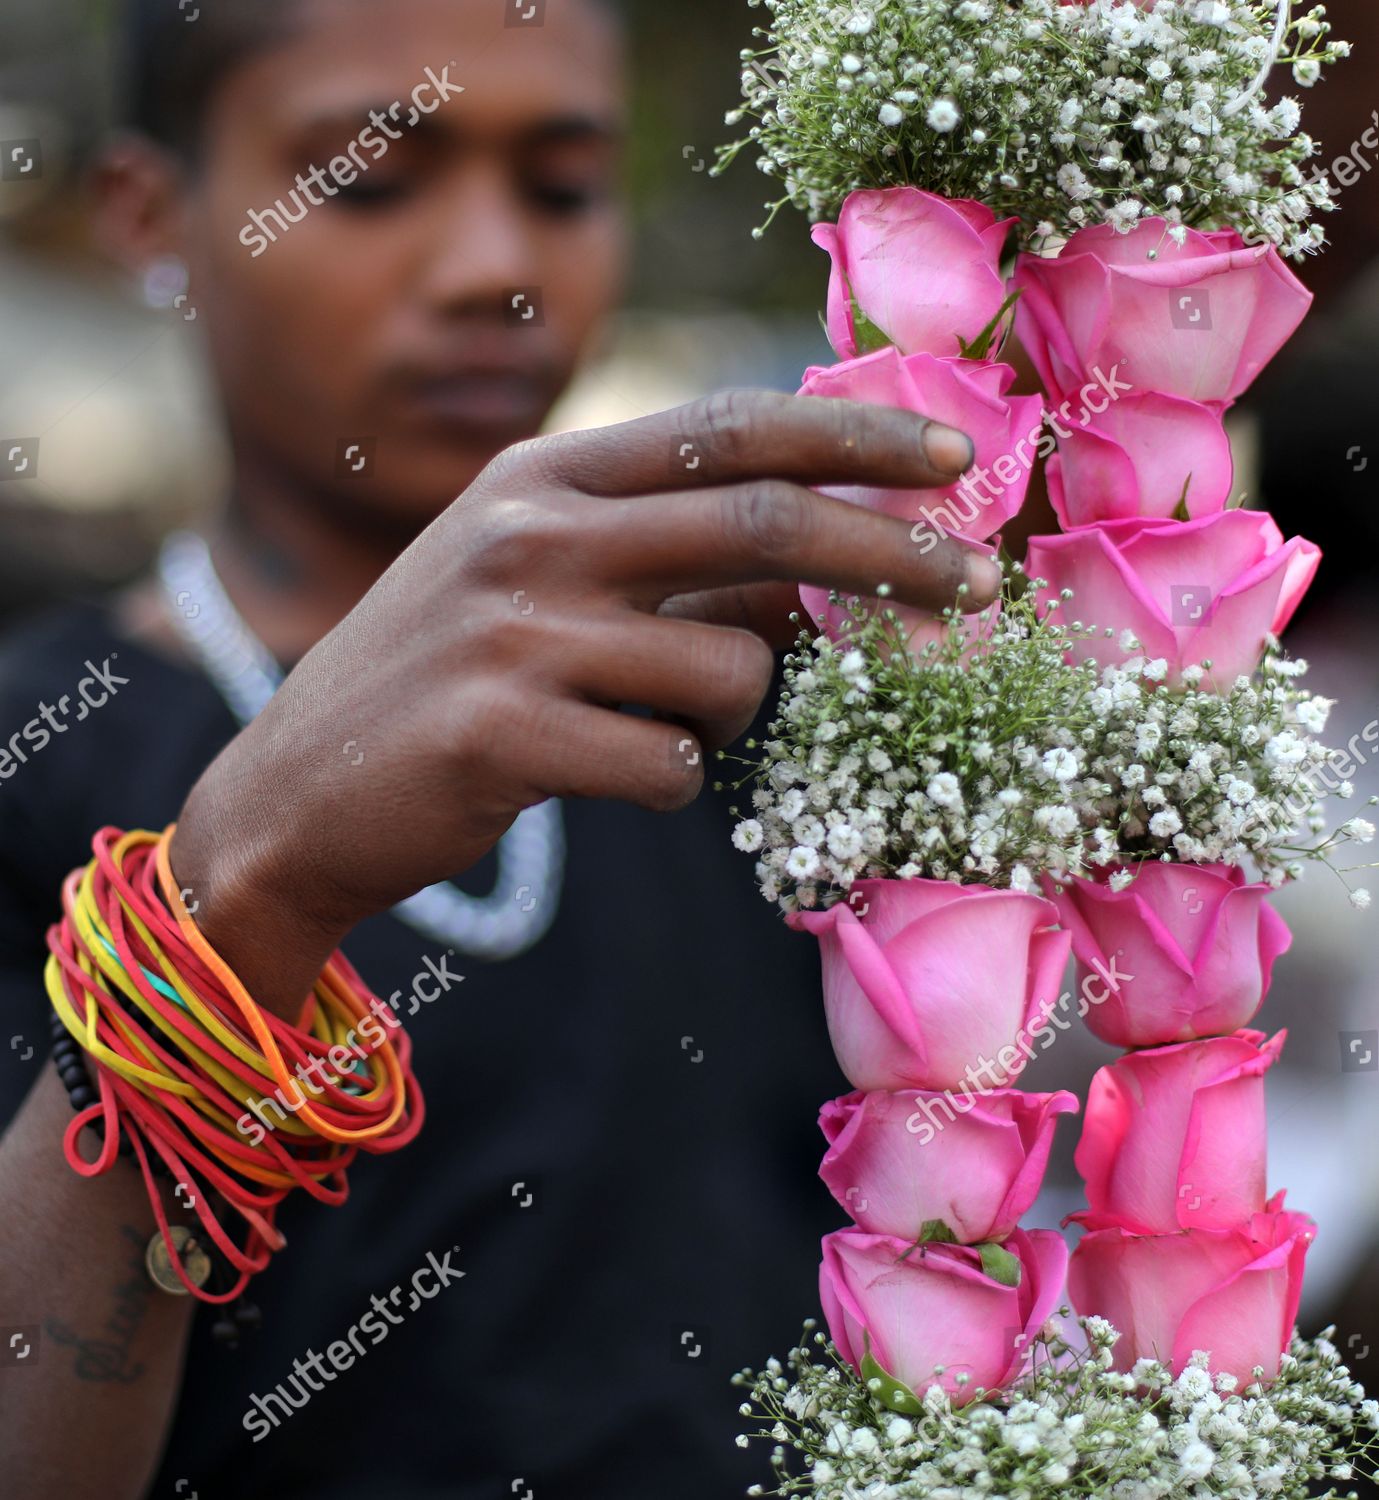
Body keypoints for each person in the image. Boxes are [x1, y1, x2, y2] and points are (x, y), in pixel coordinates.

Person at [0, 2, 997, 1496]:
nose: (496, 272)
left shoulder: (767, 701)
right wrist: (234, 901)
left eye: (564, 187)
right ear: (151, 213)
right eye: (370, 179)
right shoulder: (38, 749)